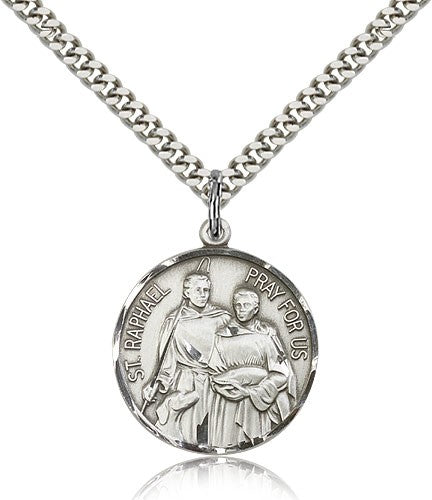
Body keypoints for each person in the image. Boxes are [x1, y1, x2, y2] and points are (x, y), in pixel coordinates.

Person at [142, 271, 231, 446]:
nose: (203, 294)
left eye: (206, 290)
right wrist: (155, 386)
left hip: (216, 384)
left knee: (216, 433)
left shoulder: (222, 318)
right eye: (198, 290)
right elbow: (166, 361)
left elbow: (234, 349)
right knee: (187, 433)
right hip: (186, 382)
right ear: (186, 292)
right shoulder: (175, 322)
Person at [208, 288, 297, 448]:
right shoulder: (222, 336)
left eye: (246, 305)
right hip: (226, 403)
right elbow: (214, 373)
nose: (241, 309)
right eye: (238, 305)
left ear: (255, 309)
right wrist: (227, 389)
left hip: (256, 404)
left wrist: (253, 392)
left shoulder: (266, 336)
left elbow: (281, 373)